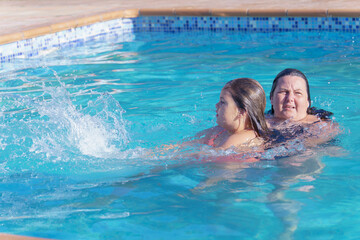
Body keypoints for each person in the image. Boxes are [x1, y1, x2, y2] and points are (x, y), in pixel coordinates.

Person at [266, 68, 339, 146]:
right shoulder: (258, 124)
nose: (290, 98)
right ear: (272, 98)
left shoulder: (322, 127)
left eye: (298, 93)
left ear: (307, 101)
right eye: (283, 92)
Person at [194, 77, 269, 150]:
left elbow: (207, 158)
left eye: (222, 102)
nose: (216, 105)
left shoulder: (243, 137)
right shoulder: (220, 130)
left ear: (241, 111)